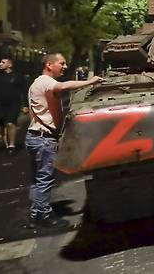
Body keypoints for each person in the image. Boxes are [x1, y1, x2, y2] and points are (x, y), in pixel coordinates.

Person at [26, 53, 102, 229]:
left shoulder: (36, 83)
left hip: (35, 136)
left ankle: (35, 214)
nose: (65, 66)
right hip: (43, 139)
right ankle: (43, 217)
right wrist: (90, 82)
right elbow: (63, 87)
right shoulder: (46, 82)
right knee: (44, 179)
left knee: (37, 180)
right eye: (62, 63)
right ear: (49, 65)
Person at [0, 58, 28, 154]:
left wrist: (26, 105)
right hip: (0, 105)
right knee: (2, 125)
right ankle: (7, 145)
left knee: (10, 123)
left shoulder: (18, 76)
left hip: (13, 104)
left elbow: (25, 91)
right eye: (0, 62)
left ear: (9, 65)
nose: (0, 64)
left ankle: (12, 145)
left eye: (3, 62)